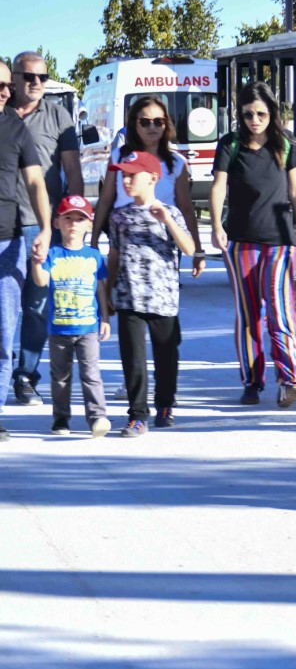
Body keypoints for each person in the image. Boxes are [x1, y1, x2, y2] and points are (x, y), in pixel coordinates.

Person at [210, 82, 296, 409]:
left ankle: (291, 379)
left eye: (262, 114)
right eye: (249, 114)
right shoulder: (231, 144)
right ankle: (252, 381)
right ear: (240, 114)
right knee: (248, 314)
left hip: (281, 241)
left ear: (272, 113)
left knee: (280, 312)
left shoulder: (286, 145)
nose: (255, 120)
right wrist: (215, 227)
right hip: (240, 240)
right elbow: (218, 187)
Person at [9, 51, 83, 407]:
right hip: (5, 227)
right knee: (6, 309)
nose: (36, 83)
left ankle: (25, 377)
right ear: (14, 77)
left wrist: (76, 222)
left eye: (42, 76)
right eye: (28, 76)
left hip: (43, 227)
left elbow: (73, 171)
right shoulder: (4, 114)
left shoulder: (58, 115)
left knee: (38, 307)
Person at [108, 151, 198, 434]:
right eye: (123, 175)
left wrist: (167, 221)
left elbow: (189, 248)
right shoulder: (119, 216)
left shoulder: (170, 212)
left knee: (166, 356)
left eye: (132, 175)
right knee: (133, 359)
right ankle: (137, 415)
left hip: (163, 298)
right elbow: (114, 254)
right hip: (129, 297)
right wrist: (108, 292)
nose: (126, 180)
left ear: (153, 178)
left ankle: (165, 404)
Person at [90, 95, 205, 276]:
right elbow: (105, 200)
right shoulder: (119, 157)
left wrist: (198, 250)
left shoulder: (177, 163)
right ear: (134, 125)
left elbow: (186, 208)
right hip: (125, 243)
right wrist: (94, 241)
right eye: (145, 122)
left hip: (163, 245)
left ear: (166, 124)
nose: (152, 127)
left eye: (158, 121)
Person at [0, 79, 53, 442]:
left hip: (8, 242)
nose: (5, 91)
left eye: (6, 84)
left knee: (3, 334)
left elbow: (35, 182)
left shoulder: (14, 126)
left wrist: (47, 228)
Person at [31, 194, 110, 438]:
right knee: (61, 378)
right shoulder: (52, 254)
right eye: (68, 218)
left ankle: (97, 417)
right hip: (59, 329)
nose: (73, 224)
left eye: (80, 219)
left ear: (89, 224)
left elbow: (101, 288)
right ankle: (61, 419)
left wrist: (105, 318)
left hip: (88, 327)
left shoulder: (94, 256)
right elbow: (42, 281)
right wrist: (36, 262)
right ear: (57, 223)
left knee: (91, 375)